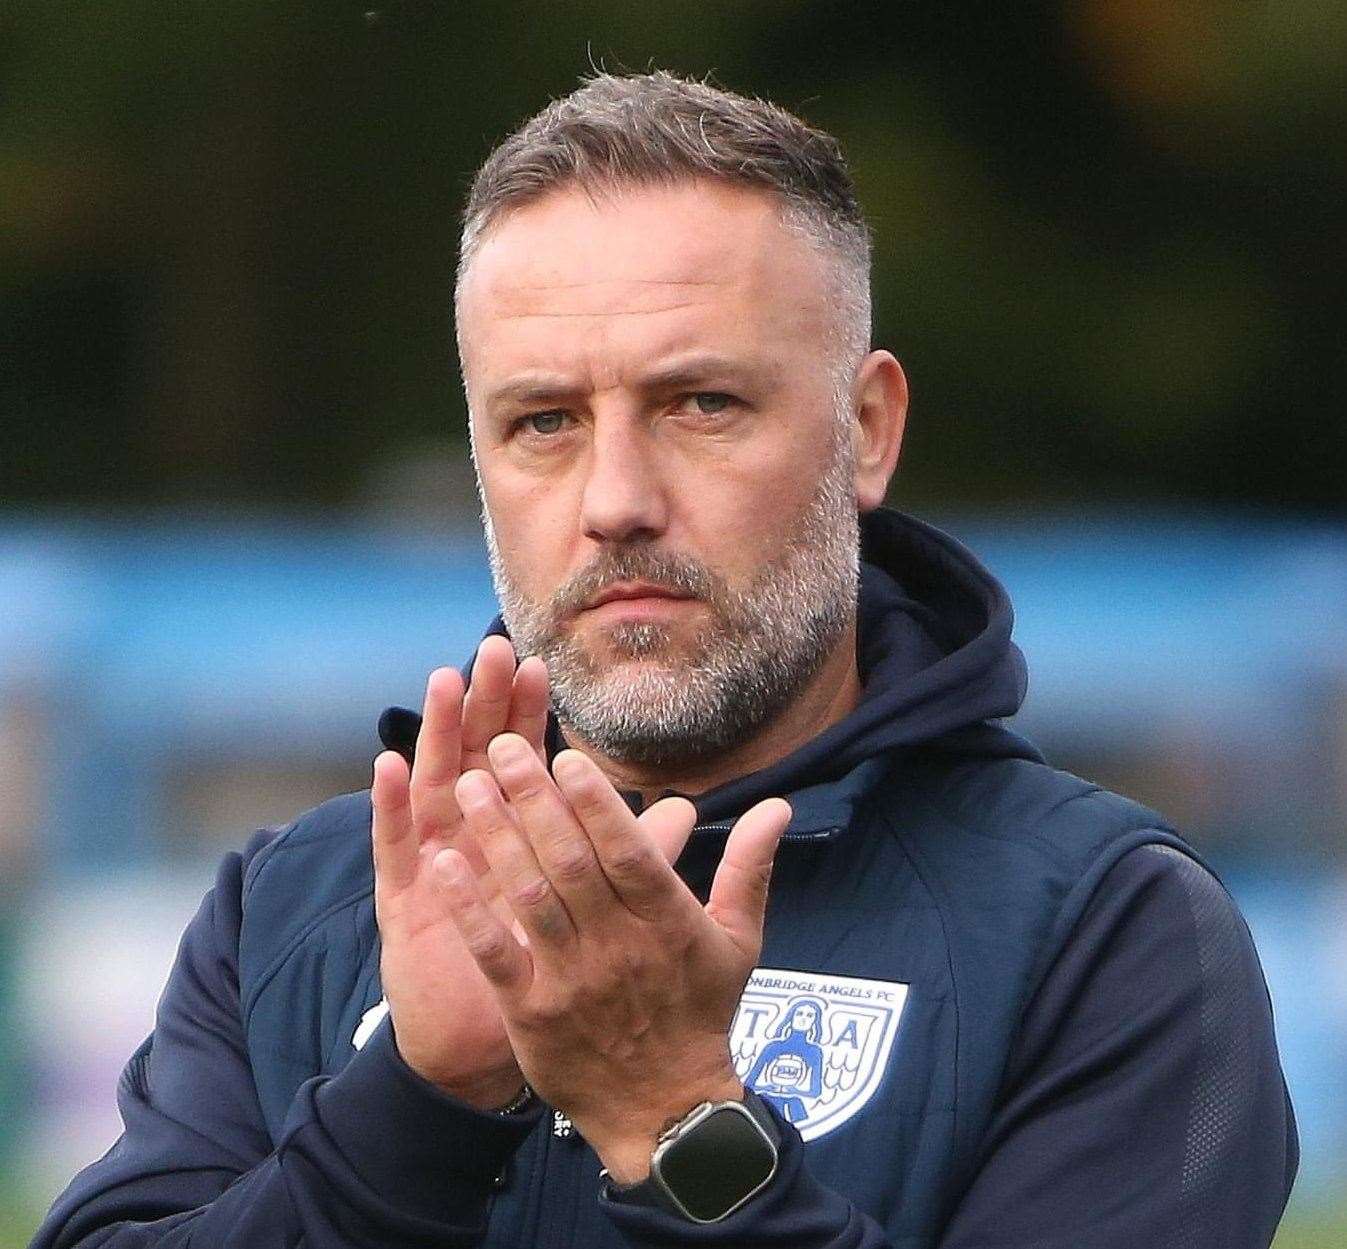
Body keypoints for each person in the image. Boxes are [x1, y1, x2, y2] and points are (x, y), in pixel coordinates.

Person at [32, 71, 1297, 1249]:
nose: (616, 499)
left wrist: (675, 1121)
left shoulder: (1105, 932)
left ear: (866, 430)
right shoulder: (299, 908)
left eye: (702, 404)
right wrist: (412, 1111)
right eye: (544, 422)